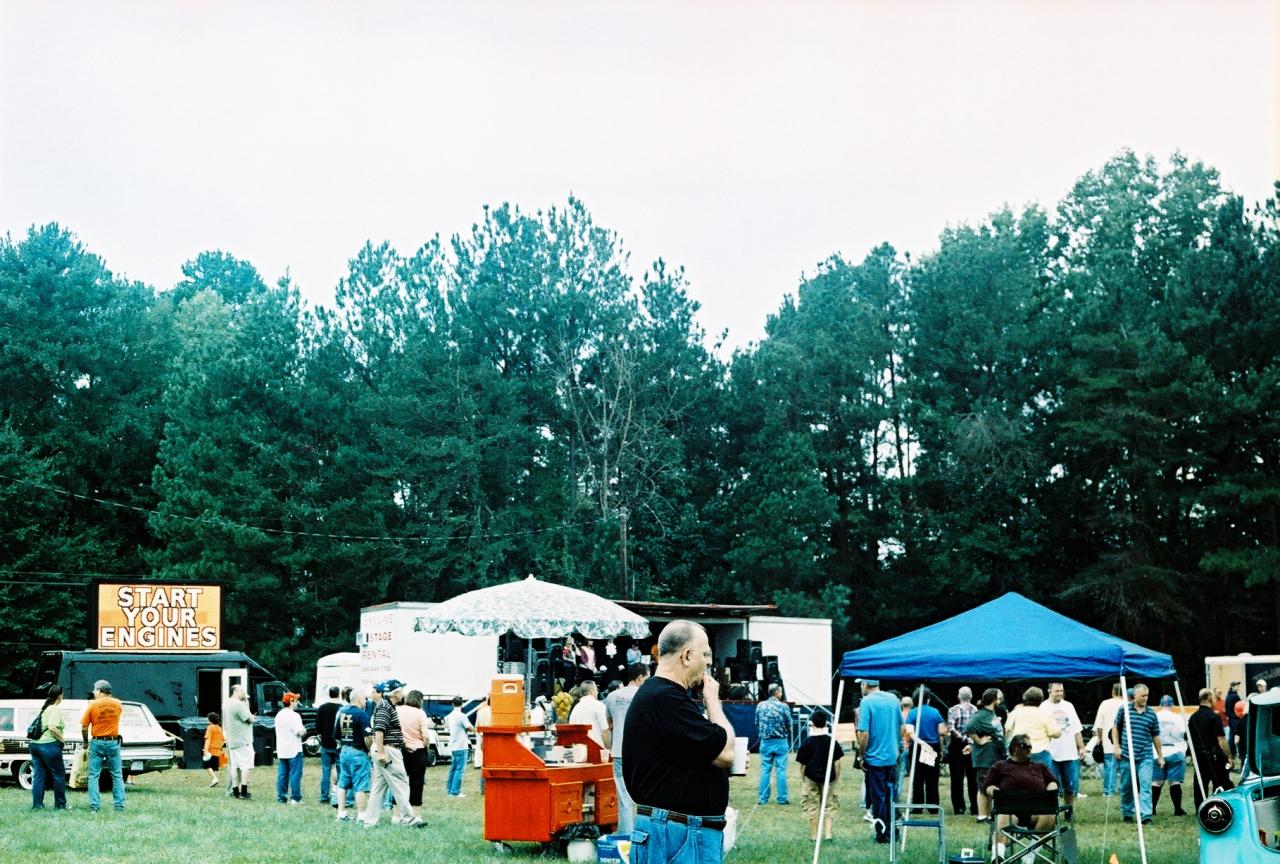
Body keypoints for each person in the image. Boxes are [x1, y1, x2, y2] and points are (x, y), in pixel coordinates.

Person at [622, 620, 735, 864]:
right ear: (687, 656)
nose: (708, 662)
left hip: (674, 831)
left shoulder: (659, 696)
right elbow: (726, 753)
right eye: (705, 654)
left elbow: (679, 762)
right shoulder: (666, 699)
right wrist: (712, 700)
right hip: (678, 835)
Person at [985, 733, 1059, 853]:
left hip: (1036, 811)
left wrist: (1051, 790)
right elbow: (988, 786)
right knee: (1003, 815)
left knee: (1050, 815)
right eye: (1026, 746)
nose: (1030, 749)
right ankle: (998, 855)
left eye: (1030, 746)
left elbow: (1052, 782)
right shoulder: (1000, 766)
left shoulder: (1040, 766)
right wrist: (998, 794)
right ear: (1015, 748)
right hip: (1010, 811)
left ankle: (1031, 854)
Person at [365, 680, 420, 828]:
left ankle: (370, 821)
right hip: (387, 750)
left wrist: (404, 745)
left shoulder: (385, 705)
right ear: (396, 693)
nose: (403, 693)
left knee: (379, 787)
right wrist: (382, 753)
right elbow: (379, 731)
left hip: (384, 748)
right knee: (401, 783)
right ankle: (409, 819)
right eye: (401, 690)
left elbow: (386, 731)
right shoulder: (385, 707)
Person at [856, 678, 903, 845]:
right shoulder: (893, 699)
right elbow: (902, 727)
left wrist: (861, 755)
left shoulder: (866, 702)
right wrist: (898, 746)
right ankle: (894, 830)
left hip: (875, 758)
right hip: (892, 756)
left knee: (878, 798)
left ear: (865, 685)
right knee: (892, 796)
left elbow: (864, 733)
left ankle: (883, 834)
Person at [1112, 682, 1164, 825]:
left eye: (1147, 696)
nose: (1145, 698)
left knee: (1146, 785)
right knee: (1127, 786)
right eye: (1142, 696)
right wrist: (1116, 747)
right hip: (1126, 755)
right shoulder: (1124, 710)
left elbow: (1156, 736)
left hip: (1145, 756)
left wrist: (1160, 756)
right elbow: (1115, 728)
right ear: (1134, 696)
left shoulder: (1151, 714)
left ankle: (1145, 816)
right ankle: (1128, 813)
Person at [604, 662, 647, 835]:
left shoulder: (611, 696)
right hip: (641, 752)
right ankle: (642, 834)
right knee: (644, 796)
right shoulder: (645, 695)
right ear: (640, 677)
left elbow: (609, 724)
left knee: (623, 797)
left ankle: (625, 836)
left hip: (618, 751)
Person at [795, 709, 842, 841]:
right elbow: (837, 763)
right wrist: (836, 777)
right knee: (829, 805)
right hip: (829, 778)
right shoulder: (832, 741)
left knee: (812, 805)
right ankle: (828, 835)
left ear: (812, 724)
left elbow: (802, 765)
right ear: (826, 724)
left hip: (811, 777)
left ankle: (815, 836)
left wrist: (804, 779)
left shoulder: (807, 742)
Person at [81, 678, 126, 813]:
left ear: (100, 691)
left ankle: (95, 806)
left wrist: (85, 742)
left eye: (95, 690)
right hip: (113, 742)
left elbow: (84, 727)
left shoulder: (93, 705)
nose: (93, 692)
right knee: (116, 775)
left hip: (97, 742)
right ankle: (119, 805)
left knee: (94, 775)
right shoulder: (118, 704)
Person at [1188, 687, 1233, 809]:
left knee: (1200, 783)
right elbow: (1221, 739)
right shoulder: (1214, 717)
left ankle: (1200, 808)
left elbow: (1189, 739)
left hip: (1198, 756)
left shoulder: (1193, 718)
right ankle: (1218, 806)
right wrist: (1229, 756)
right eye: (1213, 696)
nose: (1215, 699)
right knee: (1220, 781)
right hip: (1214, 756)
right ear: (1208, 698)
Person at [1041, 682, 1085, 808]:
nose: (1060, 693)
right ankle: (1052, 811)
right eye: (1057, 691)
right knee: (1051, 786)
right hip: (1051, 753)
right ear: (1049, 691)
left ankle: (1068, 810)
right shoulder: (1043, 707)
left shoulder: (1069, 706)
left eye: (1061, 691)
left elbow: (1076, 729)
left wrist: (1081, 747)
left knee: (1070, 786)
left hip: (1070, 753)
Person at [965, 688, 1006, 822]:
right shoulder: (981, 715)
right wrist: (978, 740)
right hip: (984, 757)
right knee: (984, 786)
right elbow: (968, 726)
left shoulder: (992, 713)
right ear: (993, 700)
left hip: (995, 755)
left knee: (992, 784)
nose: (1000, 701)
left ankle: (989, 814)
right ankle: (982, 815)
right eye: (999, 698)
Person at [905, 692, 947, 812]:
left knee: (917, 777)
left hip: (917, 746)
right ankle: (933, 806)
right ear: (928, 699)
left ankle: (917, 807)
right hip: (932, 746)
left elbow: (909, 731)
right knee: (932, 777)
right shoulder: (935, 712)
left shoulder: (913, 713)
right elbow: (941, 732)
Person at [335, 686, 372, 822]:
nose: (366, 701)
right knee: (361, 784)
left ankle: (341, 813)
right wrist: (369, 749)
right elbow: (367, 737)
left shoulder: (342, 713)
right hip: (358, 752)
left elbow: (337, 735)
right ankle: (362, 815)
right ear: (359, 699)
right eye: (364, 698)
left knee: (342, 783)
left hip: (344, 750)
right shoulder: (362, 715)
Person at [1005, 687, 1059, 772]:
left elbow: (1007, 730)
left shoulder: (1015, 712)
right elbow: (1056, 733)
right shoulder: (1045, 714)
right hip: (1040, 752)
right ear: (1041, 700)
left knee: (1020, 778)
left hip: (1019, 752)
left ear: (1025, 698)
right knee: (1041, 778)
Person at [31, 684, 67, 810]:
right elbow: (52, 727)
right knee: (58, 775)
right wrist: (62, 740)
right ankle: (60, 804)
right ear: (60, 696)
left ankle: (37, 805)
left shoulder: (45, 708)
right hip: (49, 745)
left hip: (35, 745)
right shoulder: (54, 709)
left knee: (39, 776)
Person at [755, 683, 792, 806]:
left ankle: (763, 798)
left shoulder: (760, 705)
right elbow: (789, 724)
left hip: (765, 741)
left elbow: (756, 722)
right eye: (780, 691)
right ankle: (782, 798)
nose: (781, 694)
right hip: (781, 741)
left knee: (765, 770)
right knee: (781, 770)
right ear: (776, 692)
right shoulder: (784, 706)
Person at [1152, 695, 1188, 816]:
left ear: (1160, 705)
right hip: (1175, 750)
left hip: (1157, 752)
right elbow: (1183, 732)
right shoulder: (1178, 717)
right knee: (1175, 782)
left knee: (1156, 782)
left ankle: (1152, 808)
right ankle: (1177, 809)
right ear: (1172, 705)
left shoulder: (1155, 716)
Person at [946, 687, 979, 816]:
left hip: (956, 746)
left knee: (956, 778)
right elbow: (977, 727)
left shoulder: (952, 710)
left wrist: (962, 738)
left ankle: (959, 807)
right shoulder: (975, 710)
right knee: (973, 778)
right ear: (971, 696)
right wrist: (969, 740)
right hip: (972, 744)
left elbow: (951, 728)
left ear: (959, 696)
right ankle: (975, 806)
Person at [398, 690, 430, 819]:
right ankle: (416, 814)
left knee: (399, 783)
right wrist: (426, 747)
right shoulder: (420, 713)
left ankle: (397, 814)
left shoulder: (398, 710)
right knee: (417, 783)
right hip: (418, 750)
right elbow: (426, 736)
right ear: (420, 700)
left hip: (401, 750)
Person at [1093, 683, 1126, 795]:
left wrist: (1100, 738)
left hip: (1108, 742)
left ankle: (1108, 791)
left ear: (1113, 691)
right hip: (1124, 741)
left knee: (1110, 768)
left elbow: (1099, 725)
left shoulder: (1105, 704)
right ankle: (1125, 790)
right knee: (1125, 768)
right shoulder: (1127, 704)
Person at [224, 683, 256, 800]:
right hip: (243, 740)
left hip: (232, 740)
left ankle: (235, 791)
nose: (244, 693)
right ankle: (244, 792)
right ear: (235, 692)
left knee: (234, 766)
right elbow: (249, 719)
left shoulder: (227, 703)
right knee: (245, 766)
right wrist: (252, 716)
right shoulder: (239, 704)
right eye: (241, 691)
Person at [275, 692, 305, 804]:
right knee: (295, 774)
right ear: (291, 701)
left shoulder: (279, 715)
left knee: (283, 774)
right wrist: (305, 730)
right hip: (294, 749)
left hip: (282, 749)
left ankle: (281, 797)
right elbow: (300, 732)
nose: (297, 702)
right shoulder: (295, 716)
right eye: (296, 700)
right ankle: (295, 798)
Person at [316, 685, 342, 805]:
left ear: (329, 694)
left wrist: (322, 739)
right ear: (339, 694)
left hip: (326, 744)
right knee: (341, 772)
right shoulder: (342, 709)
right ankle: (340, 795)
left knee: (326, 772)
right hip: (339, 744)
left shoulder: (322, 708)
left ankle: (324, 797)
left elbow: (318, 728)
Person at [444, 695, 474, 798]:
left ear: (452, 704)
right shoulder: (462, 716)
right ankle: (455, 791)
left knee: (453, 768)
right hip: (461, 745)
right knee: (460, 769)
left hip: (453, 745)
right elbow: (469, 727)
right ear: (462, 704)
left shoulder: (450, 716)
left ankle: (450, 789)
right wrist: (473, 728)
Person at [569, 679, 609, 747]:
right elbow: (605, 730)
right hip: (596, 748)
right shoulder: (599, 705)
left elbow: (571, 730)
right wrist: (608, 748)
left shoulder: (576, 708)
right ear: (591, 691)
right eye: (596, 690)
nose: (597, 692)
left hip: (579, 749)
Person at [203, 711, 225, 788]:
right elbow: (223, 740)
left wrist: (205, 750)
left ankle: (214, 778)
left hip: (210, 750)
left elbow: (208, 739)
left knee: (207, 765)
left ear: (210, 720)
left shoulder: (210, 728)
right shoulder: (220, 729)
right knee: (215, 766)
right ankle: (215, 779)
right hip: (217, 751)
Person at [1224, 681, 1243, 766]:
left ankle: (1231, 755)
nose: (1238, 688)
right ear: (1232, 686)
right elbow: (1240, 707)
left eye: (1239, 686)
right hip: (1235, 719)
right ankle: (1239, 755)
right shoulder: (1235, 696)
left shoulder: (1228, 695)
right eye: (1237, 686)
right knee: (1238, 737)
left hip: (1231, 719)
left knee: (1231, 738)